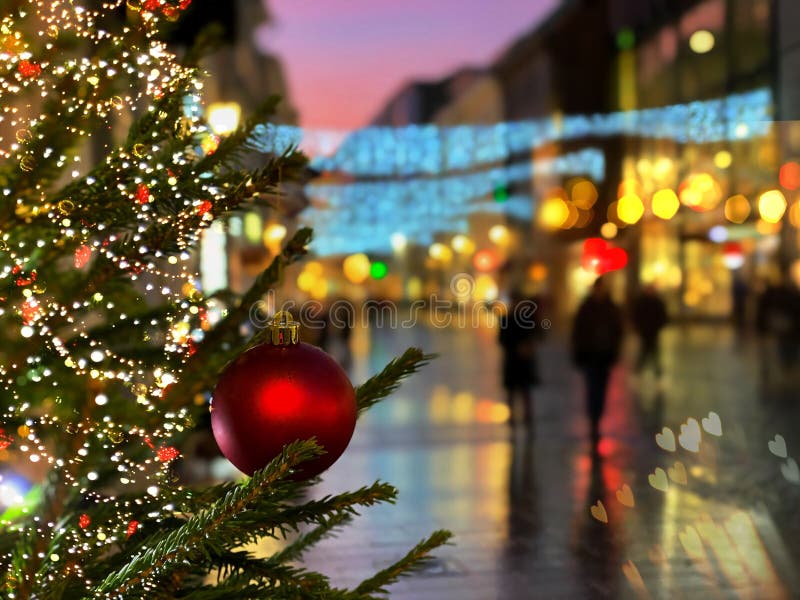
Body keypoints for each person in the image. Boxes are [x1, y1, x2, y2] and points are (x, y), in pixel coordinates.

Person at [571, 277, 624, 445]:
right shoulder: (586, 308)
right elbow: (578, 332)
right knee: (592, 387)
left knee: (601, 389)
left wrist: (615, 351)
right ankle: (593, 420)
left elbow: (618, 331)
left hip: (605, 355)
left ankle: (597, 416)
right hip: (590, 355)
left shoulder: (611, 308)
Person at [498, 293, 540, 426]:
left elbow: (538, 334)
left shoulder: (527, 318)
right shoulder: (507, 319)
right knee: (513, 393)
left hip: (523, 362)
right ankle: (512, 417)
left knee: (525, 392)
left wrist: (528, 346)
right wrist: (515, 347)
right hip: (512, 361)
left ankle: (527, 417)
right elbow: (501, 339)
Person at [630, 284, 668, 376]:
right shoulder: (641, 302)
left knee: (653, 353)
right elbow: (636, 315)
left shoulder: (657, 302)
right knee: (646, 352)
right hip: (645, 331)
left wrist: (658, 326)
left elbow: (663, 316)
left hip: (653, 331)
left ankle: (657, 373)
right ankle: (639, 371)